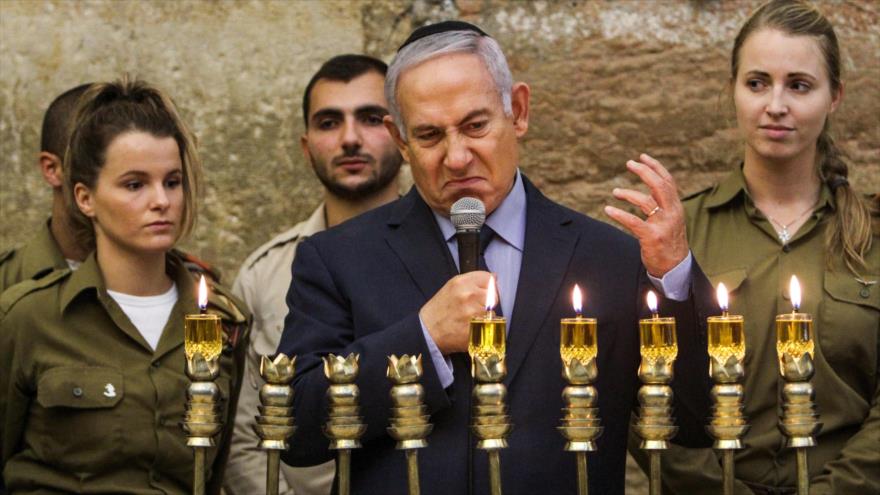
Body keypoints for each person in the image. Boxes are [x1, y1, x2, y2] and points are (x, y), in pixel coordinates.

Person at [278, 21, 717, 495]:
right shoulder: (338, 257)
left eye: (475, 126)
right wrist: (423, 338)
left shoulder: (608, 257)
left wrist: (673, 276)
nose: (457, 157)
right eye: (428, 135)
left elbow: (697, 421)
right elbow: (297, 430)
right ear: (400, 140)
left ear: (519, 111)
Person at [619, 1, 879, 493]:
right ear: (734, 90)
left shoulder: (872, 236)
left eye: (799, 85)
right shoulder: (680, 235)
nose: (775, 105)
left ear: (835, 97)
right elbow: (640, 396)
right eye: (757, 83)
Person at [0, 77, 250, 494]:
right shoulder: (29, 316)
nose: (161, 201)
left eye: (172, 182)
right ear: (85, 198)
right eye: (135, 184)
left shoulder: (216, 319)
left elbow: (210, 467)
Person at [225, 54, 403, 495]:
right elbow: (243, 438)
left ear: (403, 134)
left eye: (370, 118)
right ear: (306, 147)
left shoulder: (453, 256)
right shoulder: (263, 275)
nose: (349, 139)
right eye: (328, 122)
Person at [0, 84, 93, 292]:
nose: (160, 200)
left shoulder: (177, 284)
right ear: (52, 169)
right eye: (95, 163)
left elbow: (185, 321)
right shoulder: (7, 288)